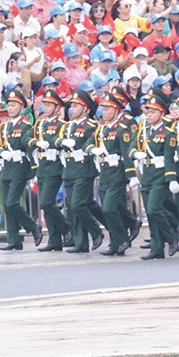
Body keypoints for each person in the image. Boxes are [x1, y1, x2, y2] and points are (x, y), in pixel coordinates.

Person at [135, 89, 179, 259]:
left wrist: (171, 179)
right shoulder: (145, 132)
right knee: (150, 213)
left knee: (154, 209)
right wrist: (135, 153)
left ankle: (172, 237)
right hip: (147, 174)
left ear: (161, 114)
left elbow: (169, 158)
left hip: (161, 176)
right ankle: (157, 248)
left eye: (153, 112)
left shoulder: (168, 133)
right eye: (148, 112)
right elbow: (133, 145)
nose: (149, 115)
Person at [94, 89, 139, 256]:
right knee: (113, 208)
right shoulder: (102, 130)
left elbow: (126, 154)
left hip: (117, 174)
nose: (104, 112)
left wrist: (131, 175)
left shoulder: (121, 129)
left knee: (109, 209)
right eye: (103, 109)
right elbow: (91, 143)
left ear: (116, 110)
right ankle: (115, 243)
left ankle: (122, 238)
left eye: (107, 109)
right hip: (105, 172)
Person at [0, 89, 43, 250]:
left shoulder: (26, 126)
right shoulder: (4, 127)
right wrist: (1, 152)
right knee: (7, 205)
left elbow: (27, 142)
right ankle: (14, 239)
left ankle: (33, 227)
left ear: (21, 108)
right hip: (7, 166)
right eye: (9, 105)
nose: (10, 109)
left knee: (12, 203)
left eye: (14, 105)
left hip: (20, 166)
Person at [60, 91, 105, 254]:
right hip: (69, 168)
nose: (72, 109)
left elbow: (92, 142)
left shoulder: (91, 125)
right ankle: (81, 242)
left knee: (78, 204)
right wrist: (60, 142)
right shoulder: (67, 126)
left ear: (85, 108)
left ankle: (96, 232)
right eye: (71, 106)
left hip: (84, 168)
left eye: (76, 106)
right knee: (73, 207)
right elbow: (55, 140)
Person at [31, 88, 70, 251]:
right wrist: (35, 143)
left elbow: (60, 140)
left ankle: (67, 228)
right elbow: (28, 138)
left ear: (57, 108)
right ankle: (54, 239)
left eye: (49, 105)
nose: (45, 108)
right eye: (45, 105)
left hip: (55, 167)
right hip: (42, 167)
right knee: (47, 205)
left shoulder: (62, 125)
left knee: (46, 202)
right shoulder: (40, 124)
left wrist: (53, 144)